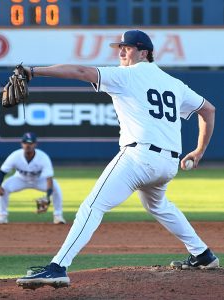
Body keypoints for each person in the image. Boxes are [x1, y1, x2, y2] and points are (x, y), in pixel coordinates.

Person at [16, 29, 218, 289]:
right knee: (158, 206)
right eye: (119, 47)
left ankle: (57, 267)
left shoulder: (126, 76)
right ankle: (203, 254)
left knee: (91, 207)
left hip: (139, 157)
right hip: (168, 164)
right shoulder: (174, 83)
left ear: (144, 52)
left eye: (128, 47)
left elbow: (80, 72)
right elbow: (208, 109)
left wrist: (34, 71)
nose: (121, 51)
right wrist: (199, 151)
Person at [0, 132, 66, 225]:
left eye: (30, 143)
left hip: (39, 180)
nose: (28, 145)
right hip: (20, 179)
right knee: (4, 187)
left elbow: (49, 178)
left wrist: (47, 198)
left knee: (56, 187)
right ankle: (2, 216)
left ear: (35, 144)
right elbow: (2, 172)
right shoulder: (15, 156)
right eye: (25, 143)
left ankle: (58, 216)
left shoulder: (43, 157)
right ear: (22, 144)